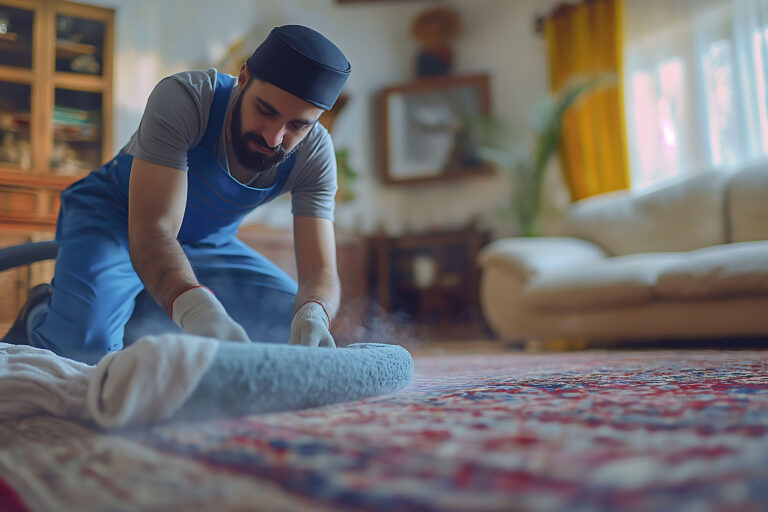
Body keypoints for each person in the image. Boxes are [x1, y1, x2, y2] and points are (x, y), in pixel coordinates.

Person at [1, 25, 351, 364]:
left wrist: (314, 315)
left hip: (207, 246)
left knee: (282, 328)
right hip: (118, 223)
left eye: (298, 125)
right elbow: (153, 229)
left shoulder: (316, 155)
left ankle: (133, 310)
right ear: (243, 79)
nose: (274, 137)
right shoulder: (186, 99)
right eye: (265, 110)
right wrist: (196, 309)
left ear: (318, 120)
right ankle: (42, 310)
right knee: (83, 350)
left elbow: (320, 272)